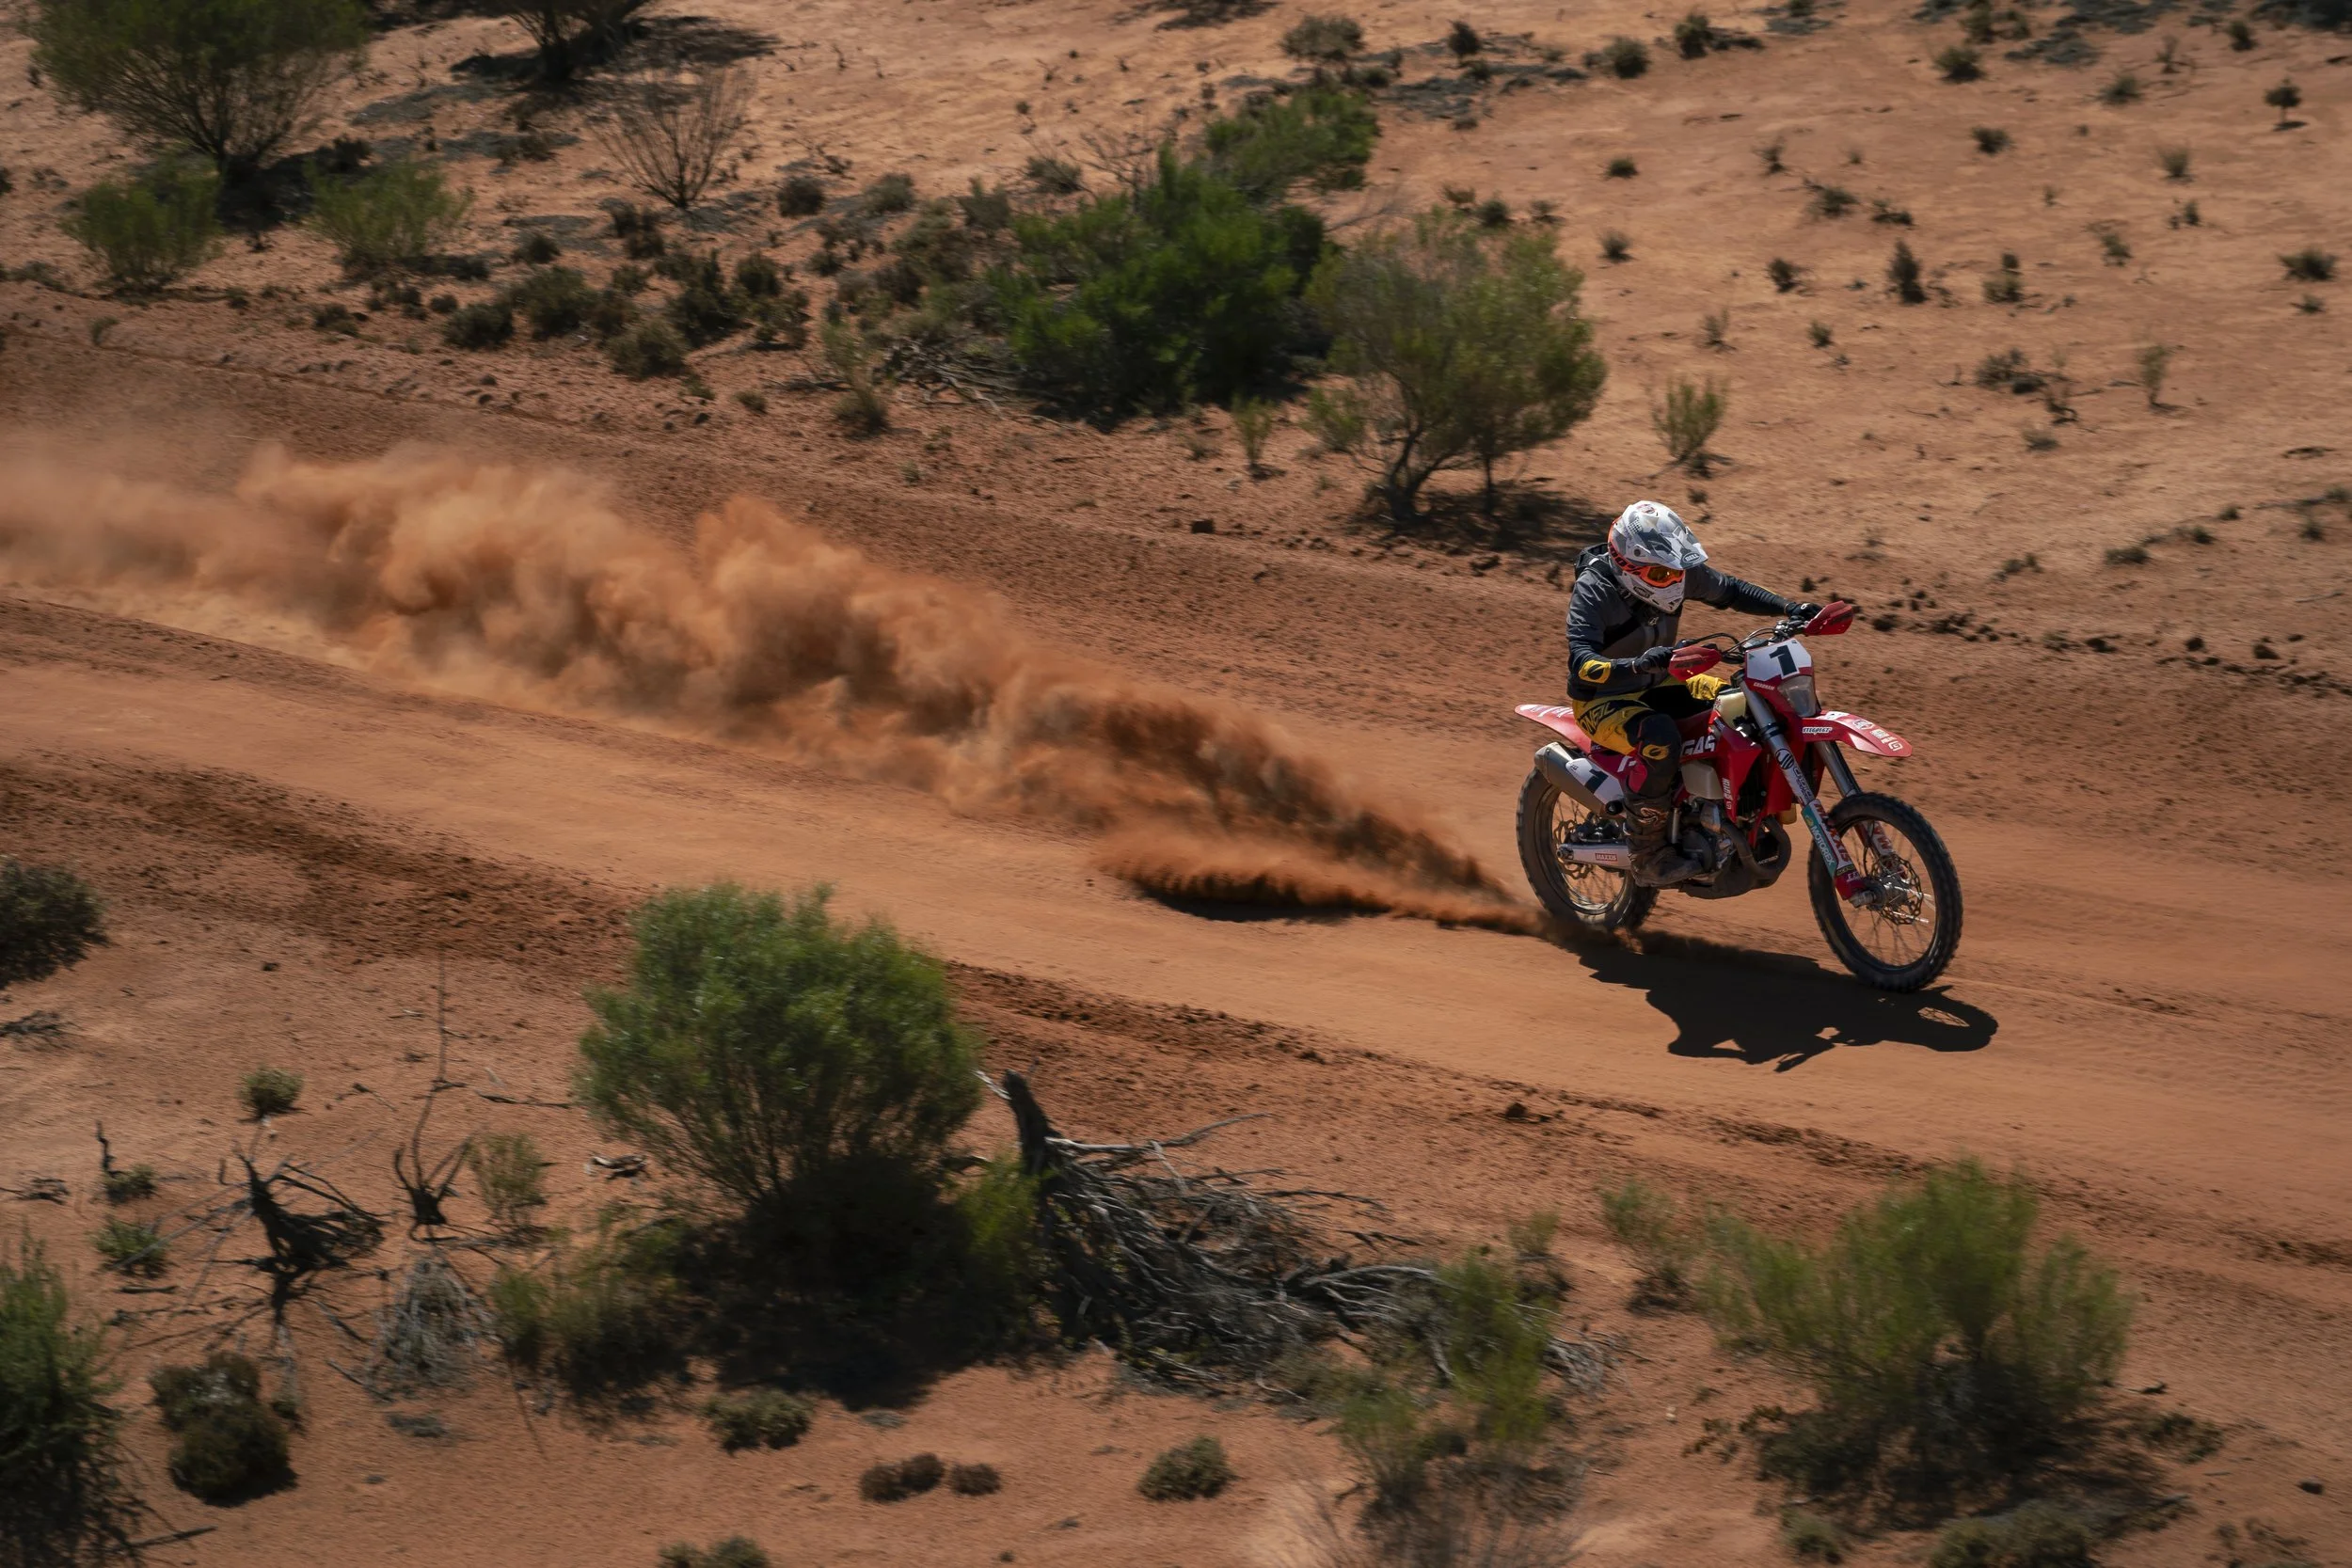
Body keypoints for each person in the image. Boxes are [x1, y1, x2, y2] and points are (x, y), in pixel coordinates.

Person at [1565, 500, 1815, 886]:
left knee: (1747, 702)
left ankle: (1733, 812)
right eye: (1662, 573)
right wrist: (1640, 664)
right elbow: (1582, 663)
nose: (1676, 581)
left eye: (1679, 570)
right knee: (1661, 738)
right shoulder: (1593, 590)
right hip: (1604, 700)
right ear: (1628, 566)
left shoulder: (1675, 574)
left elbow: (1730, 590)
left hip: (1663, 680)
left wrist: (1790, 607)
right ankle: (1648, 854)